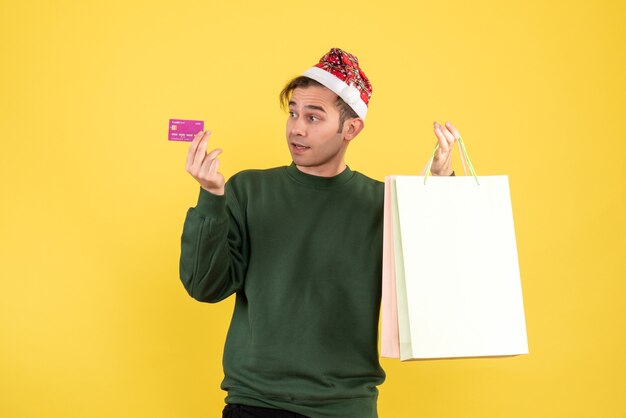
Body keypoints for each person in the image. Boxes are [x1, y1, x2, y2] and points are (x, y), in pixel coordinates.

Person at [179, 48, 460, 418]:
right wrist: (212, 197)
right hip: (257, 403)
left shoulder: (383, 204)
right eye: (293, 113)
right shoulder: (247, 190)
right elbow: (205, 286)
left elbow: (437, 282)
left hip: (347, 406)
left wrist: (441, 190)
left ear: (351, 128)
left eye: (313, 117)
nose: (297, 127)